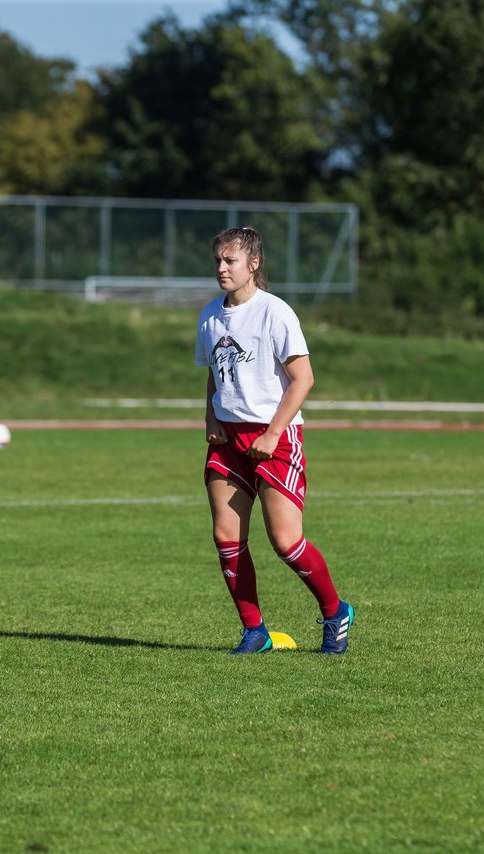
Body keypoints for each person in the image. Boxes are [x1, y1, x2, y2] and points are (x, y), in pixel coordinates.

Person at [196, 226, 354, 655]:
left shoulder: (275, 312)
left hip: (275, 437)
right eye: (218, 260)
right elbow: (214, 373)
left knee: (285, 542)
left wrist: (271, 433)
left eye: (230, 261)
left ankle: (336, 610)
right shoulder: (210, 314)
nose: (222, 268)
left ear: (254, 264)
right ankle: (255, 632)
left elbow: (303, 379)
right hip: (228, 440)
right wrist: (212, 418)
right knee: (226, 539)